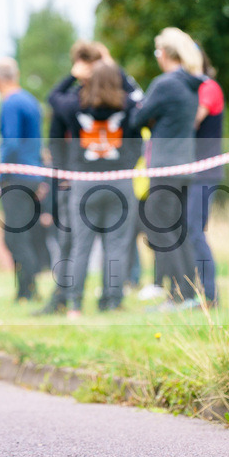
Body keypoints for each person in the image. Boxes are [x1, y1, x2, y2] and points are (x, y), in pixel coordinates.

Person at [48, 61, 142, 316]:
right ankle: (112, 302)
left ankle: (74, 304)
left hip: (83, 182)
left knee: (81, 245)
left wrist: (72, 75)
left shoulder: (74, 104)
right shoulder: (129, 105)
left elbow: (52, 97)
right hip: (120, 181)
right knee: (117, 245)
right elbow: (138, 143)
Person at [130, 27, 203, 310]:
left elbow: (138, 118)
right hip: (185, 166)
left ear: (165, 53)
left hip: (165, 167)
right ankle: (188, 294)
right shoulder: (190, 83)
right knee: (178, 230)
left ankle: (181, 294)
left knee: (160, 229)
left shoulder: (165, 83)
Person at [0, 57, 45, 302]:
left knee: (14, 236)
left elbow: (11, 143)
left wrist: (1, 171)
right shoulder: (31, 101)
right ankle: (26, 289)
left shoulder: (11, 103)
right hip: (34, 175)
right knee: (23, 233)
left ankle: (28, 290)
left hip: (17, 176)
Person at [188, 46, 226, 306]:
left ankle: (210, 295)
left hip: (205, 171)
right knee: (192, 230)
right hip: (193, 171)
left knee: (195, 230)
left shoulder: (209, 87)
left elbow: (192, 120)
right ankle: (199, 292)